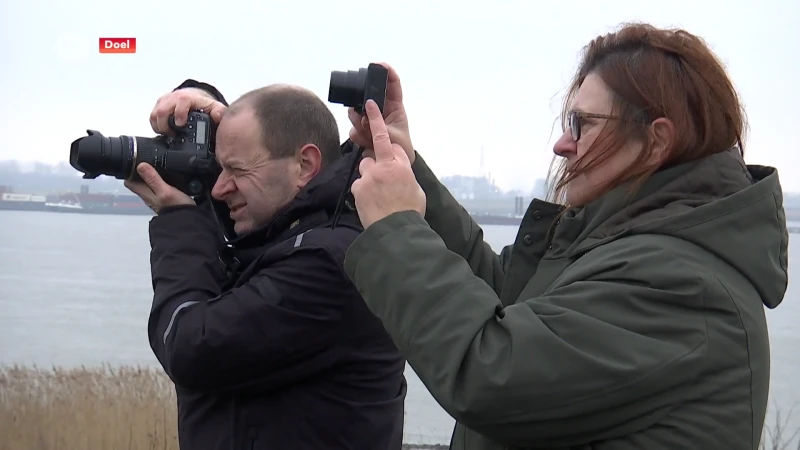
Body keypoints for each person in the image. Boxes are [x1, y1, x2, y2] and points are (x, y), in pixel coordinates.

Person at [341, 23, 788, 450]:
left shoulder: (679, 286)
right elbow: (503, 300)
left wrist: (397, 229)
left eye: (581, 123)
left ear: (656, 142)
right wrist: (405, 162)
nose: (562, 144)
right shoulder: (619, 245)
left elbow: (492, 372)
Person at [124, 80, 407, 450]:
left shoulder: (330, 264)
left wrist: (179, 222)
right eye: (219, 168)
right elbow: (243, 242)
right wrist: (203, 108)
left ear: (305, 165)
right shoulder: (300, 231)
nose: (219, 188)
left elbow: (189, 346)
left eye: (236, 170)